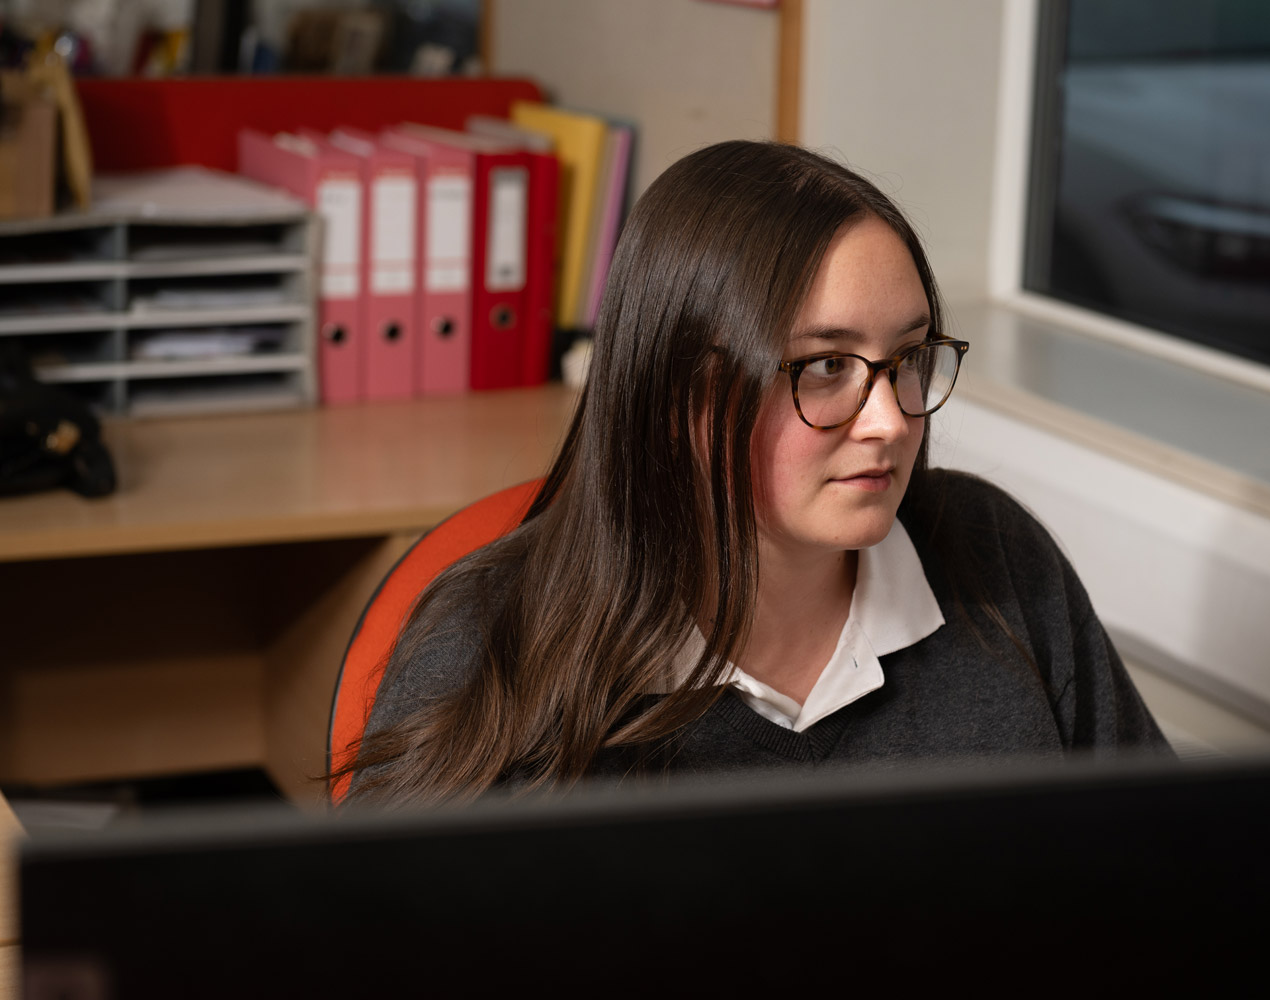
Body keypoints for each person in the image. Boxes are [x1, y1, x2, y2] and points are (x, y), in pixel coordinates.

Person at [344, 140, 1170, 808]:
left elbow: (1176, 871)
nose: (891, 422)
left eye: (910, 357)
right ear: (681, 397)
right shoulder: (487, 651)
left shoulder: (999, 558)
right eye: (826, 366)